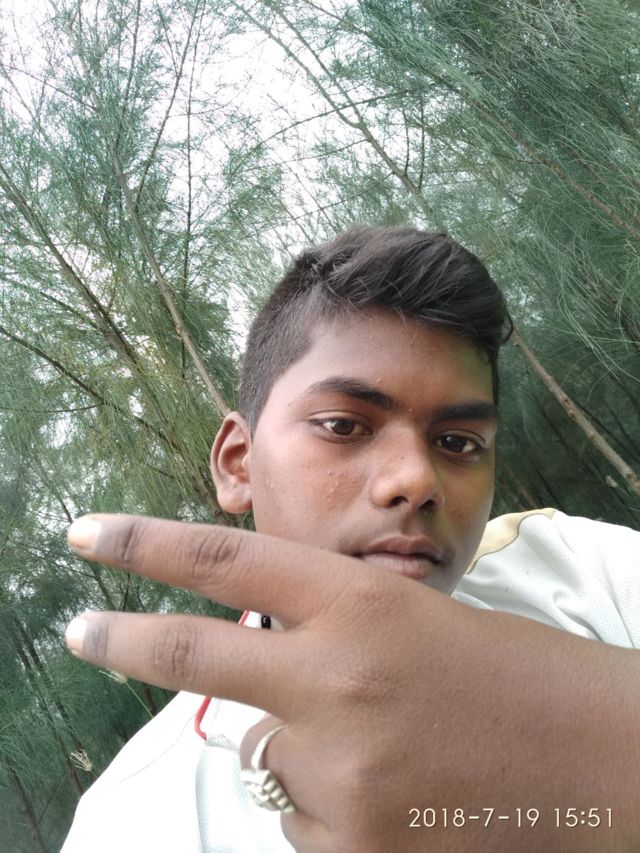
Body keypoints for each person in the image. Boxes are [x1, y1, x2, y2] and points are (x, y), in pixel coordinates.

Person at [62, 226, 640, 852]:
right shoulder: (134, 819)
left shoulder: (584, 571)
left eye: (458, 442)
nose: (416, 479)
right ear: (238, 463)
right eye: (343, 425)